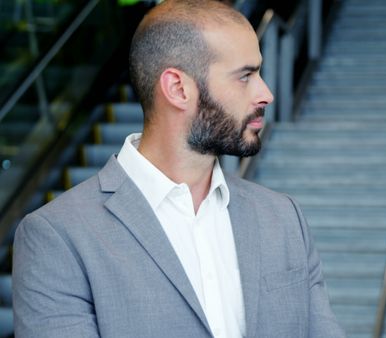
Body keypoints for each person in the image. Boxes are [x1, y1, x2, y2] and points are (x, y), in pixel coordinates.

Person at [12, 1, 345, 337]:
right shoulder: (57, 237)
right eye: (245, 76)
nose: (266, 93)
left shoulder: (284, 217)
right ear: (178, 89)